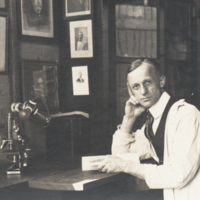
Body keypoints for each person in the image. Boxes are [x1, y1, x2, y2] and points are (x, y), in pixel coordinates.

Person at [91, 59, 200, 200]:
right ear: (131, 91)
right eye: (135, 87)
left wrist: (125, 165)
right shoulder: (152, 121)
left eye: (147, 82)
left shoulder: (185, 115)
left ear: (161, 81)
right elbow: (121, 155)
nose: (143, 91)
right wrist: (129, 118)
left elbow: (178, 176)